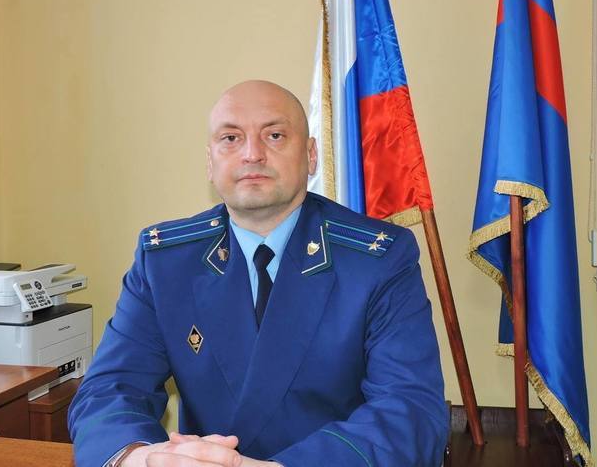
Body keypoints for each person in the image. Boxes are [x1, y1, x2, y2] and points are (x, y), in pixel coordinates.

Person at [68, 80, 448, 466]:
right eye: (231, 138)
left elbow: (410, 410)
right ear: (210, 162)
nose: (252, 154)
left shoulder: (378, 260)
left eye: (275, 135)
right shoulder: (166, 262)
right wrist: (140, 459)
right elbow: (109, 389)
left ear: (311, 155)